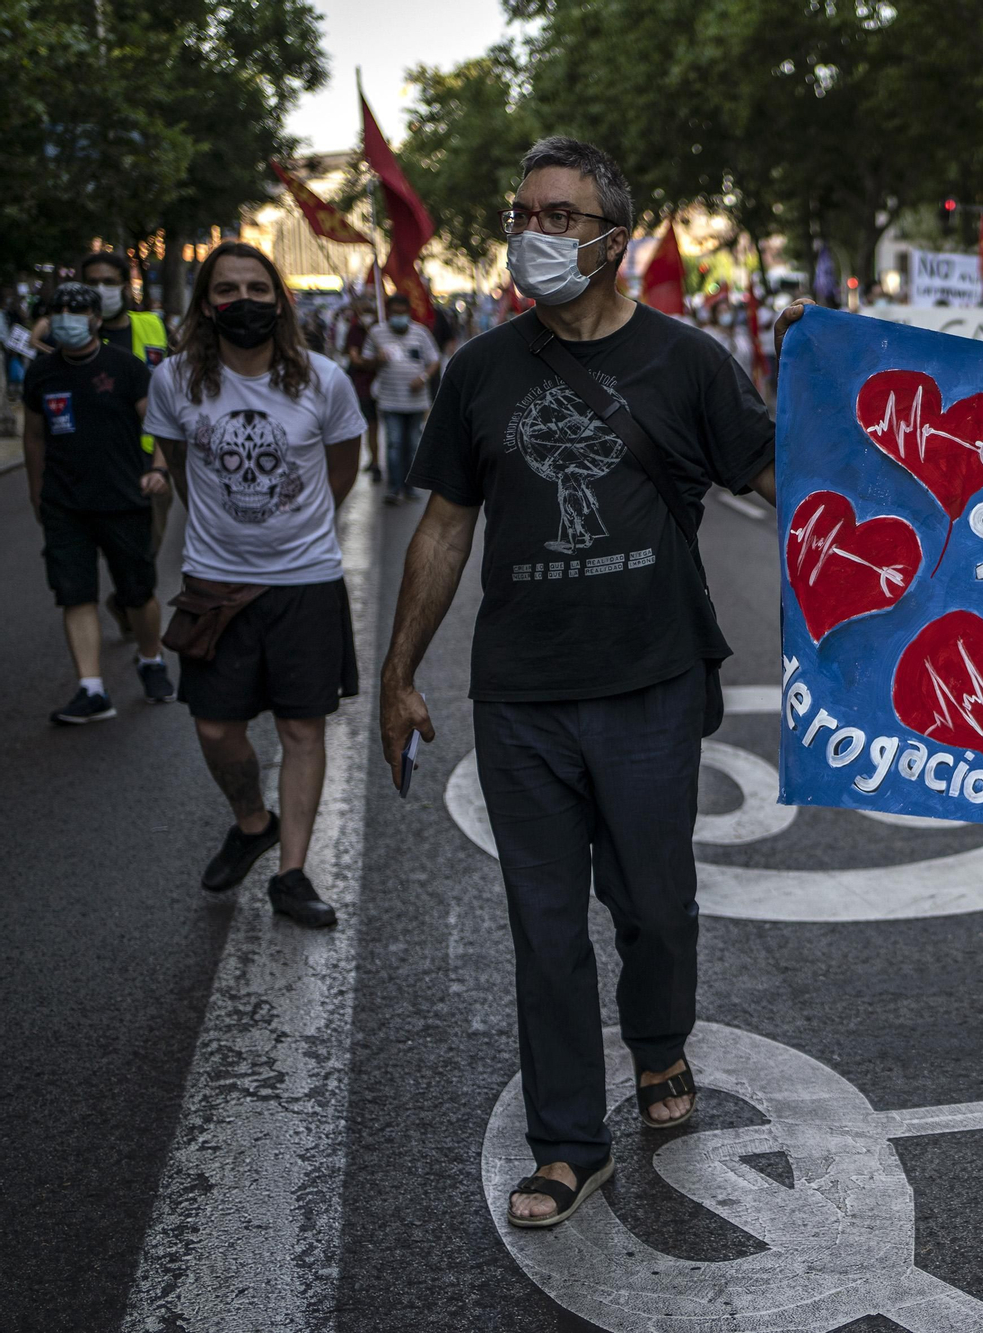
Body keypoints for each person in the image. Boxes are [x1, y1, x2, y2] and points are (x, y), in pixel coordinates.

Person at [378, 136, 800, 1230]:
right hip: (519, 697)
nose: (536, 232)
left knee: (654, 908)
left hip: (651, 684)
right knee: (543, 924)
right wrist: (398, 673)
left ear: (617, 238)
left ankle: (659, 1042)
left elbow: (782, 478)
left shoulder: (689, 361)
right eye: (525, 211)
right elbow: (443, 528)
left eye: (562, 216)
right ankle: (569, 1141)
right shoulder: (479, 371)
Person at [145, 241, 366, 929]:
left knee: (303, 728)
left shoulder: (324, 380)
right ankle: (252, 822)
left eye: (258, 289)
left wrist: (291, 534)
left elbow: (343, 470)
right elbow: (179, 467)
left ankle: (292, 874)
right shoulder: (175, 380)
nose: (244, 302)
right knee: (215, 726)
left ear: (281, 300)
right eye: (227, 290)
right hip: (216, 587)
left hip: (306, 584)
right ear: (206, 305)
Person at [22, 283, 173, 722]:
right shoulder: (42, 373)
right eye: (59, 310)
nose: (67, 317)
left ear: (93, 317)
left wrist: (158, 469)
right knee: (75, 594)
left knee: (137, 592)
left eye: (77, 310)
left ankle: (151, 659)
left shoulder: (124, 368)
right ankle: (91, 689)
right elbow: (33, 437)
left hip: (123, 499)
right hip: (64, 504)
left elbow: (160, 426)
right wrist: (37, 492)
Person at [361, 292, 440, 504]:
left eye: (403, 313)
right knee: (394, 444)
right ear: (388, 313)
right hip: (389, 400)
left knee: (412, 445)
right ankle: (394, 488)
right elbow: (365, 362)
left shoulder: (420, 333)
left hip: (416, 402)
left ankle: (410, 486)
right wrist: (377, 359)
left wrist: (423, 378)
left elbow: (434, 361)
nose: (399, 317)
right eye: (395, 313)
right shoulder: (377, 333)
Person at [343, 299, 384, 482]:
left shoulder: (382, 331)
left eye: (369, 310)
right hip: (364, 386)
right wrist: (375, 360)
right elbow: (355, 359)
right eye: (363, 311)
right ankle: (374, 461)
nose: (366, 314)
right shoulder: (354, 331)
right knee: (371, 425)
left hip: (387, 387)